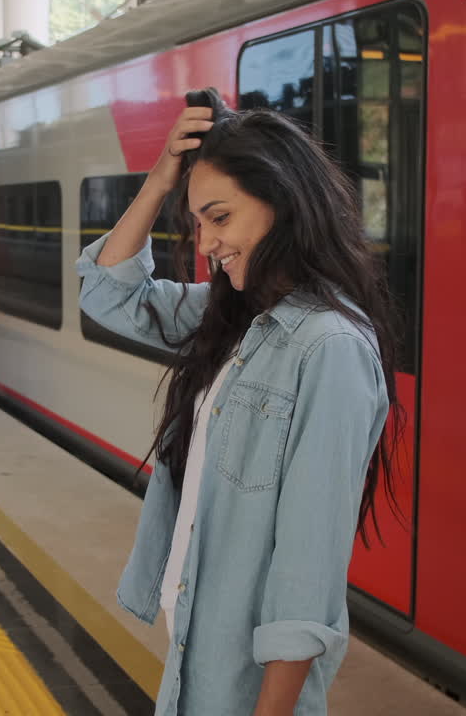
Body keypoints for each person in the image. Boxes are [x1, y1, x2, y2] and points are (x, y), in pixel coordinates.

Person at [76, 89, 402, 715]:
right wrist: (164, 174)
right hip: (195, 650)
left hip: (247, 688)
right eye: (197, 222)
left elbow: (307, 575)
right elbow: (105, 295)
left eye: (220, 218)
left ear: (282, 203)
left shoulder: (327, 347)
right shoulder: (232, 316)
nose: (205, 244)